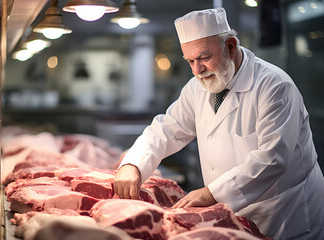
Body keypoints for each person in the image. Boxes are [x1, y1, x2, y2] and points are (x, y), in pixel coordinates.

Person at [113, 8, 324, 240]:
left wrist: (213, 193)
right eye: (190, 61)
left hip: (283, 215)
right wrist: (133, 165)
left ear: (231, 46)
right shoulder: (196, 88)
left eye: (204, 58)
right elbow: (167, 129)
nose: (197, 70)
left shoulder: (274, 87)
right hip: (229, 216)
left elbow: (272, 158)